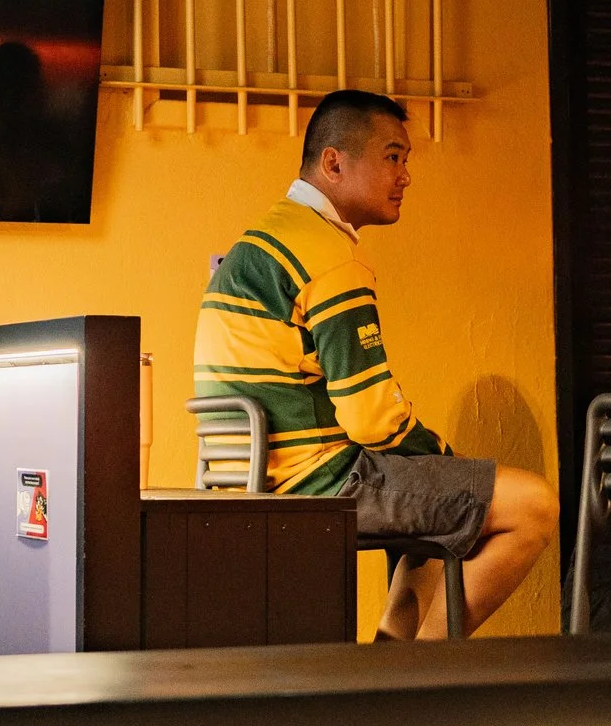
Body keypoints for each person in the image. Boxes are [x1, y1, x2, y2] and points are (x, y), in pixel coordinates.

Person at [194, 89, 557, 640]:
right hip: (317, 482)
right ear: (333, 163)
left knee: (441, 494)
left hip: (247, 480)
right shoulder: (327, 255)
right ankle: (422, 671)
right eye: (392, 157)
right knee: (534, 504)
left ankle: (393, 660)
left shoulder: (262, 240)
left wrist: (437, 466)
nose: (405, 176)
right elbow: (371, 420)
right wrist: (442, 454)